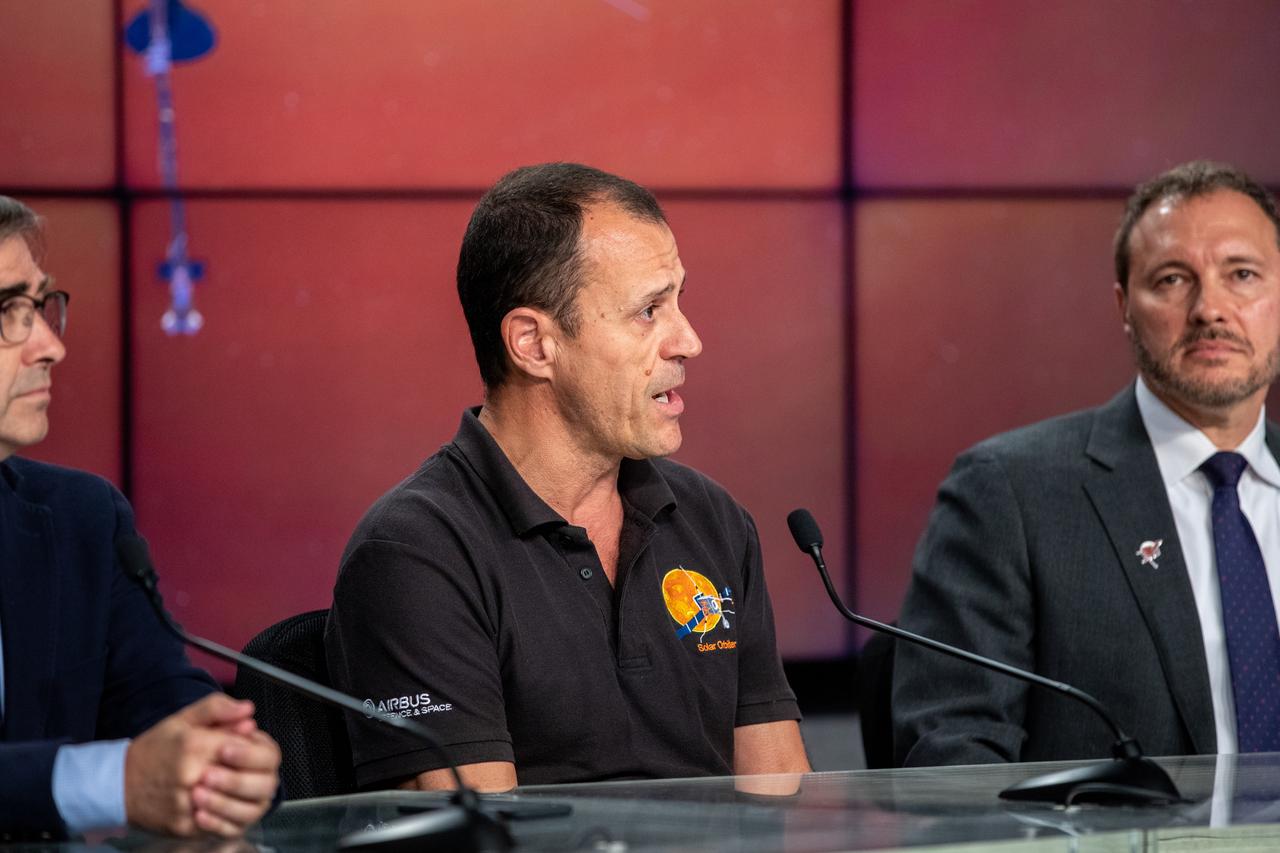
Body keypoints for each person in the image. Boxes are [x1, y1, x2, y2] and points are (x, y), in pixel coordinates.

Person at [326, 163, 809, 791]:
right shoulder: (416, 552)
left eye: (679, 301)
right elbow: (481, 834)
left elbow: (786, 800)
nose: (688, 340)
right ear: (532, 344)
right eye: (648, 311)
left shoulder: (712, 519)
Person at [893, 161, 1280, 766]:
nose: (1211, 308)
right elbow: (953, 751)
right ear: (1125, 306)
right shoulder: (1008, 495)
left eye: (1243, 274)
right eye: (1174, 280)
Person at [0, 196, 280, 839]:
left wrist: (227, 763)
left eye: (41, 305)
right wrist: (113, 783)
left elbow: (168, 709)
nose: (50, 347)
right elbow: (129, 774)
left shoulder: (82, 522)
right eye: (11, 313)